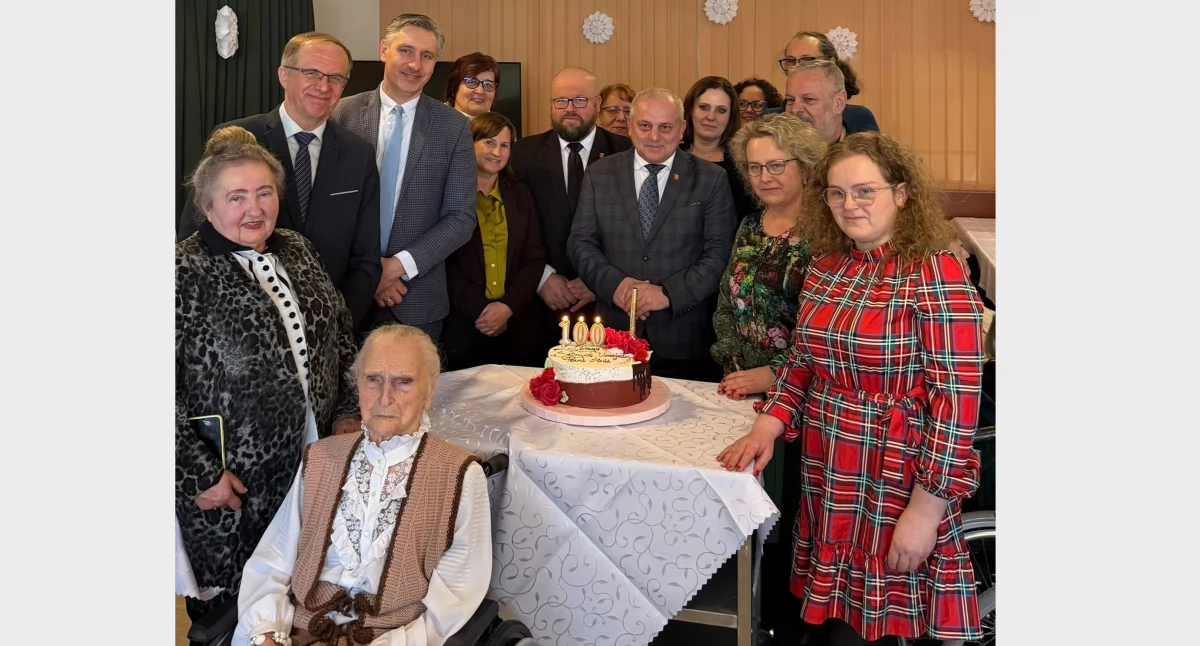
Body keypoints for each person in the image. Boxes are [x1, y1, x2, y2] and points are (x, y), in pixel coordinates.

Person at [717, 132, 985, 645]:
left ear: (900, 193)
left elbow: (956, 408)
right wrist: (767, 426)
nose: (849, 205)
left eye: (865, 191)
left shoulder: (935, 272)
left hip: (895, 479)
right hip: (829, 469)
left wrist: (925, 512)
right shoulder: (826, 265)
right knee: (830, 622)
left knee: (872, 633)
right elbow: (801, 363)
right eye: (837, 194)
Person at [176, 126, 361, 641]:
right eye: (236, 197)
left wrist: (348, 409)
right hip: (233, 484)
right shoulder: (181, 270)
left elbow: (341, 337)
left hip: (312, 462)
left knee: (300, 598)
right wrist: (199, 475)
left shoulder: (297, 249)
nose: (254, 209)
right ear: (208, 206)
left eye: (264, 193)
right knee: (233, 618)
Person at [233, 324, 491, 646]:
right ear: (357, 386)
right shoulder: (320, 457)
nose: (386, 397)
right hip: (296, 633)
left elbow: (454, 599)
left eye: (404, 382)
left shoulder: (459, 474)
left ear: (430, 390)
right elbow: (272, 561)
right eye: (373, 379)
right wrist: (267, 633)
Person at [177, 32, 382, 330]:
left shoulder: (358, 153)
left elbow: (366, 257)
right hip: (237, 327)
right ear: (284, 75)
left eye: (336, 77)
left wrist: (335, 321)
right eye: (311, 72)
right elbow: (195, 234)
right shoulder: (237, 138)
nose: (323, 86)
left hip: (327, 328)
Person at [568, 88, 735, 382]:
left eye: (665, 127)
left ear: (682, 129)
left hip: (683, 339)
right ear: (631, 126)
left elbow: (720, 254)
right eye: (645, 125)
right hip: (613, 337)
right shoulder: (600, 173)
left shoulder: (711, 179)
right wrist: (616, 285)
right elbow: (580, 242)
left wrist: (667, 294)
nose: (654, 136)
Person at [332, 13, 477, 344]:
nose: (416, 64)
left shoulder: (453, 127)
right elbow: (330, 209)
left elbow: (460, 218)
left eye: (427, 56)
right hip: (346, 292)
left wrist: (394, 268)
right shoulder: (342, 114)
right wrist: (369, 271)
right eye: (406, 51)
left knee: (414, 396)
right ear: (384, 50)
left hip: (417, 297)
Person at [508, 67, 632, 349]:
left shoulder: (626, 153)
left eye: (580, 100)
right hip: (539, 302)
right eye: (560, 101)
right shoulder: (521, 154)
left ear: (598, 104)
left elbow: (635, 231)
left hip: (607, 304)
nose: (569, 109)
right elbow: (515, 228)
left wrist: (598, 280)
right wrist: (543, 278)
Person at [712, 113, 825, 400]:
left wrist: (771, 374)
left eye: (776, 165)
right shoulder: (749, 225)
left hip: (803, 393)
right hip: (741, 389)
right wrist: (735, 368)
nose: (764, 177)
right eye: (754, 167)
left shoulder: (827, 234)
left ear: (805, 167)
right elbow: (726, 304)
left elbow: (824, 330)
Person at [443, 113, 547, 370]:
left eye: (505, 145)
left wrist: (508, 307)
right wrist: (481, 309)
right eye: (489, 142)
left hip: (517, 325)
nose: (497, 152)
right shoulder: (448, 192)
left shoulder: (522, 194)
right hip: (464, 325)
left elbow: (534, 258)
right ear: (471, 143)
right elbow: (444, 261)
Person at [770, 30, 879, 134]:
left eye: (807, 60)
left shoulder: (859, 119)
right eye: (790, 61)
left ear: (831, 64)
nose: (797, 67)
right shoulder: (768, 123)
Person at [680, 76, 757, 223]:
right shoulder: (669, 155)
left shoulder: (742, 164)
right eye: (704, 107)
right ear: (690, 110)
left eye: (721, 110)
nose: (711, 117)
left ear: (730, 117)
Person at [785, 58, 877, 146]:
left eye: (809, 99)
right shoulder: (775, 152)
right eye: (790, 100)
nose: (794, 109)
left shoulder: (866, 154)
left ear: (838, 103)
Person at [445, 51, 501, 119]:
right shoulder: (435, 122)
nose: (480, 91)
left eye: (488, 84)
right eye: (472, 82)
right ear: (454, 88)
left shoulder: (502, 128)